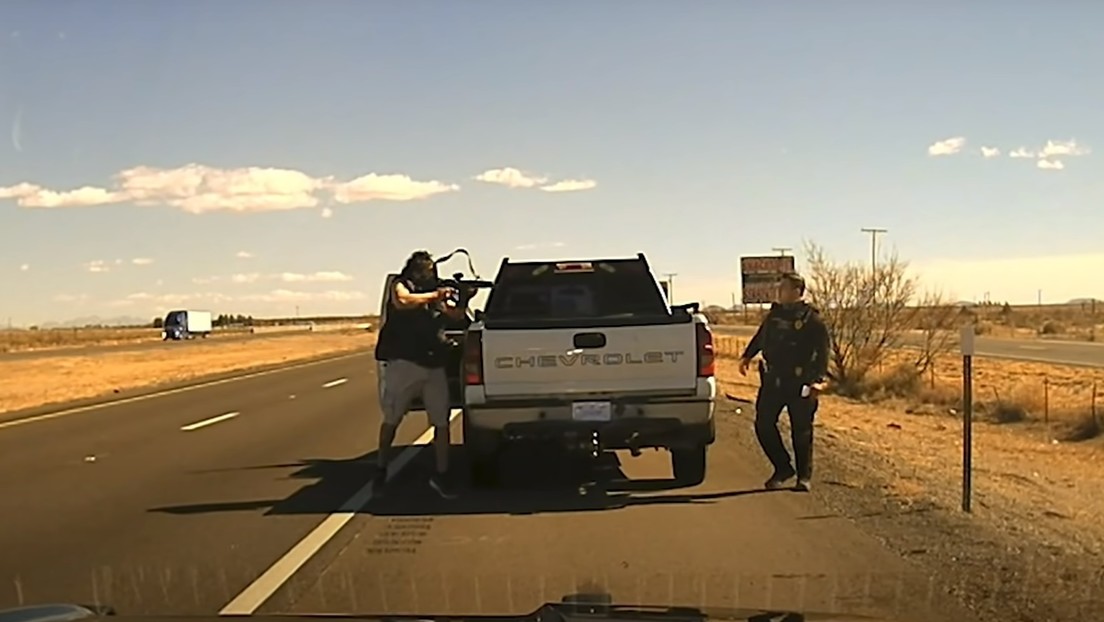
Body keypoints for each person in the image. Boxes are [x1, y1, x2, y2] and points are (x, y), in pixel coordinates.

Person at [372, 250, 466, 499]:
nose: (430, 274)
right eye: (426, 270)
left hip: (433, 365)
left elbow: (455, 315)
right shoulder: (401, 285)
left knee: (442, 422)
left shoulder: (432, 293)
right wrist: (435, 294)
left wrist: (463, 297)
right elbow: (402, 301)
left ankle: (442, 475)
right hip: (404, 364)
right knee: (392, 419)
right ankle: (381, 467)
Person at [738, 272, 830, 492]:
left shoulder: (811, 319)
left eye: (784, 289)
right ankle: (782, 468)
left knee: (801, 430)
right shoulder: (775, 315)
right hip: (773, 380)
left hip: (800, 382)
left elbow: (823, 350)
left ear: (797, 292)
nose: (780, 292)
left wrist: (818, 380)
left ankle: (803, 477)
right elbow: (761, 337)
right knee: (763, 425)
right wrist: (747, 356)